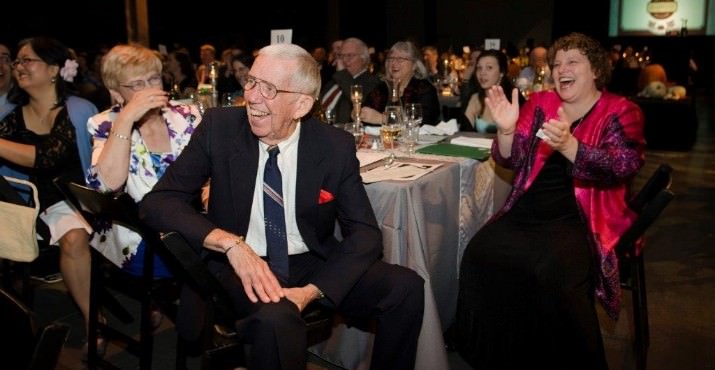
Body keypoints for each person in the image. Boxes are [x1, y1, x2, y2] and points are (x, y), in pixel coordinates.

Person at [139, 43, 425, 370]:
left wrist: (313, 291)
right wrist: (229, 243)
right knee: (277, 320)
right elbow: (158, 202)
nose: (253, 97)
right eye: (251, 82)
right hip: (238, 264)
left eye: (269, 88)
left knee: (405, 288)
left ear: (302, 105)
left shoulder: (333, 145)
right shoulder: (220, 128)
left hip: (310, 260)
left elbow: (365, 234)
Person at [455, 32, 645, 369]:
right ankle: (498, 356)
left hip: (583, 218)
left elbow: (624, 165)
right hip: (528, 210)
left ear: (596, 70)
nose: (562, 69)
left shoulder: (620, 109)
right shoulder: (541, 103)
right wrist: (507, 131)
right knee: (479, 253)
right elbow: (509, 160)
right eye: (557, 64)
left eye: (573, 61)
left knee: (551, 271)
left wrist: (571, 147)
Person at [0, 36, 97, 351]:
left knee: (74, 237)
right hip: (30, 203)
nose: (18, 66)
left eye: (28, 60)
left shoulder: (79, 109)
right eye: (17, 61)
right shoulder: (11, 115)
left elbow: (48, 157)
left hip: (75, 199)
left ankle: (92, 321)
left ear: (54, 69)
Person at [85, 43, 202, 279]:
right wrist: (126, 118)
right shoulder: (105, 124)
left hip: (195, 221)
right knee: (207, 263)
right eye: (138, 85)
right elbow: (106, 186)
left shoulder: (189, 115)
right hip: (143, 235)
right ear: (117, 92)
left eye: (153, 79)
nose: (149, 89)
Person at [362, 41, 441, 125]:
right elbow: (366, 115)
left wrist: (383, 119)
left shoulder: (424, 89)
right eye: (391, 58)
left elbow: (423, 121)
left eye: (400, 59)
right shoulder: (381, 89)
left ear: (414, 65)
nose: (394, 63)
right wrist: (360, 114)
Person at [318, 37, 380, 124]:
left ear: (363, 59)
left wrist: (342, 74)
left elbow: (359, 101)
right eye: (341, 56)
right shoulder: (335, 80)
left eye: (350, 55)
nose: (345, 60)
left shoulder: (372, 81)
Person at [461, 49, 520, 133]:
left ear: (501, 72)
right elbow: (465, 134)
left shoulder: (514, 99)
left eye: (489, 67)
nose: (482, 73)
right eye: (479, 68)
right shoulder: (475, 98)